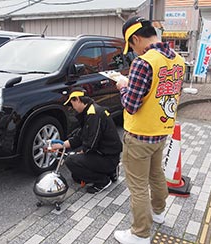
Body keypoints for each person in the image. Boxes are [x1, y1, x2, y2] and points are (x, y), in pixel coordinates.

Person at [114, 16, 185, 244]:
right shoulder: (178, 61)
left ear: (136, 39)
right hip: (161, 131)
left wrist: (123, 87)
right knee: (156, 175)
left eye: (131, 46)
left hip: (139, 135)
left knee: (137, 186)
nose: (133, 51)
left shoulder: (143, 63)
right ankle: (159, 212)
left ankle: (140, 234)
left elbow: (131, 105)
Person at [49, 87, 122, 194]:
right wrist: (61, 145)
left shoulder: (94, 114)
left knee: (71, 161)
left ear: (77, 99)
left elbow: (91, 143)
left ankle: (102, 181)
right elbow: (80, 136)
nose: (72, 107)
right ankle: (110, 172)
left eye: (72, 103)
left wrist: (80, 153)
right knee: (76, 176)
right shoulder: (90, 111)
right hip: (106, 154)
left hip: (108, 157)